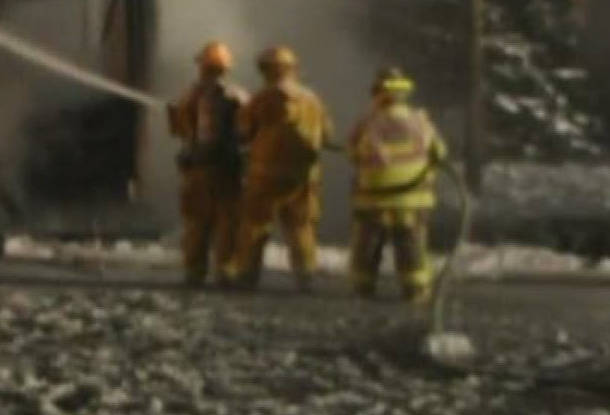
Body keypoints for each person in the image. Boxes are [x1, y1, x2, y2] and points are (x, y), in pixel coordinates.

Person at [227, 46, 333, 290]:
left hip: (265, 176)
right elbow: (327, 134)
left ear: (266, 70)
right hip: (303, 178)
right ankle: (306, 276)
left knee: (255, 225)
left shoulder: (261, 99)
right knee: (300, 227)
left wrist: (241, 105)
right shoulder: (312, 100)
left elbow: (243, 132)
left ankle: (246, 274)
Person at [346, 66, 447, 303]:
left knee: (367, 243)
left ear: (378, 93)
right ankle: (415, 290)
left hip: (373, 199)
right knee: (410, 243)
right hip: (413, 198)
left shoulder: (367, 123)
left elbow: (352, 154)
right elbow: (440, 153)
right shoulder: (421, 122)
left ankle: (363, 287)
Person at [165, 41, 249, 287]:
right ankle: (224, 271)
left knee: (197, 222)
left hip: (197, 170)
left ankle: (194, 271)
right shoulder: (239, 96)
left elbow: (177, 131)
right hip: (228, 171)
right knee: (228, 223)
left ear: (202, 66)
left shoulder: (189, 96)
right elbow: (249, 131)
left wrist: (175, 116)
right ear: (226, 68)